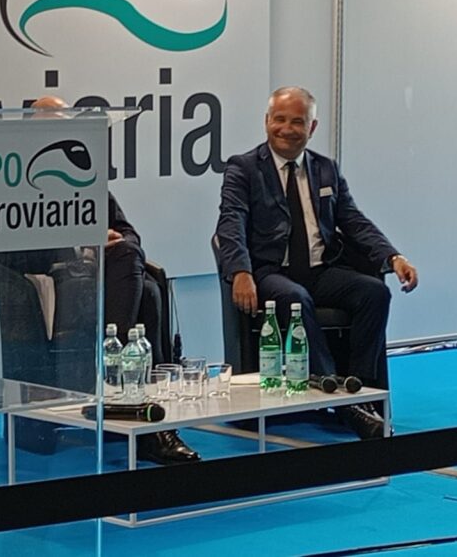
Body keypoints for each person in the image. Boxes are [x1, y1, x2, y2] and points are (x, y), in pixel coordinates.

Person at [215, 86, 418, 440]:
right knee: (294, 299)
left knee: (374, 293)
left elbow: (353, 221)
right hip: (270, 273)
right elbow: (230, 221)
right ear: (266, 121)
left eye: (297, 121)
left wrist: (392, 257)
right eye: (279, 119)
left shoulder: (325, 169)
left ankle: (361, 389)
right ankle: (338, 397)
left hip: (321, 270)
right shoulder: (243, 168)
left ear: (312, 127)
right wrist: (241, 272)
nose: (287, 129)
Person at [30, 96, 200, 465]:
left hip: (103, 279)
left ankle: (128, 387)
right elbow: (19, 248)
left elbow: (129, 232)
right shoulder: (21, 183)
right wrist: (85, 244)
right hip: (62, 281)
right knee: (143, 284)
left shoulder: (83, 177)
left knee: (136, 266)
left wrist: (114, 242)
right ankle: (137, 398)